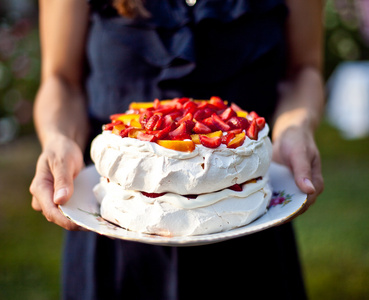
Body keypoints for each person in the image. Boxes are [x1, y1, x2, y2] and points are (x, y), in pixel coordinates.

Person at [30, 0, 324, 299]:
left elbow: (304, 69)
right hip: (114, 228)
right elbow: (61, 80)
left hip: (253, 227)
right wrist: (58, 138)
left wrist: (295, 128)